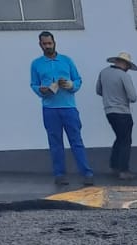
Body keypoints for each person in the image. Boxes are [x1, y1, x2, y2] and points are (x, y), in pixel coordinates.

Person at [30, 31, 94, 188]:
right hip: (50, 108)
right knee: (55, 143)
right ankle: (59, 174)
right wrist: (41, 90)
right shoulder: (36, 64)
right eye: (44, 44)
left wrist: (71, 85)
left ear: (54, 43)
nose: (47, 46)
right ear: (40, 45)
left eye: (49, 43)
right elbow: (34, 84)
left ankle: (87, 173)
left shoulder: (66, 61)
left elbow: (78, 80)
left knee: (76, 141)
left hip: (68, 107)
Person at [95, 51, 137, 181]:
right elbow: (133, 97)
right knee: (125, 140)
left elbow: (98, 90)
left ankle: (114, 165)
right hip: (123, 112)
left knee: (119, 138)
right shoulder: (124, 76)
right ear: (125, 64)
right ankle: (123, 170)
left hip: (109, 111)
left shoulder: (103, 72)